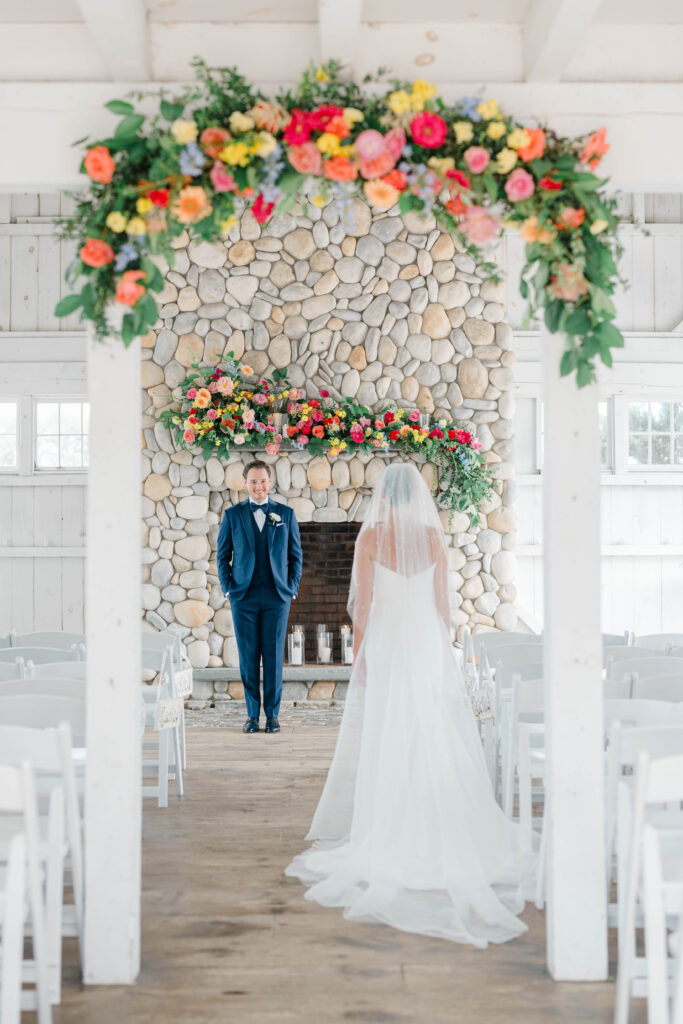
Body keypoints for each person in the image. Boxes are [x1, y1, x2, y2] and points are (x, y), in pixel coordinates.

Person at [286, 462, 533, 946]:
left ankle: (391, 822)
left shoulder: (372, 538)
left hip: (389, 642)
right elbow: (443, 607)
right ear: (416, 495)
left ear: (384, 495)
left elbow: (362, 607)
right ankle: (433, 817)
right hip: (423, 642)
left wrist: (360, 656)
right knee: (431, 731)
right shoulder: (434, 539)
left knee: (388, 731)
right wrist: (445, 652)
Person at [217, 460, 302, 734]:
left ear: (270, 481)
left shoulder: (285, 514)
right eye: (253, 481)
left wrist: (292, 587)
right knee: (248, 657)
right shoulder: (233, 515)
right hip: (244, 597)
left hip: (278, 596)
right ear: (245, 483)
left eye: (263, 480)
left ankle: (273, 715)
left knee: (275, 656)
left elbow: (295, 556)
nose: (258, 486)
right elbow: (222, 556)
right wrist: (228, 588)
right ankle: (252, 716)